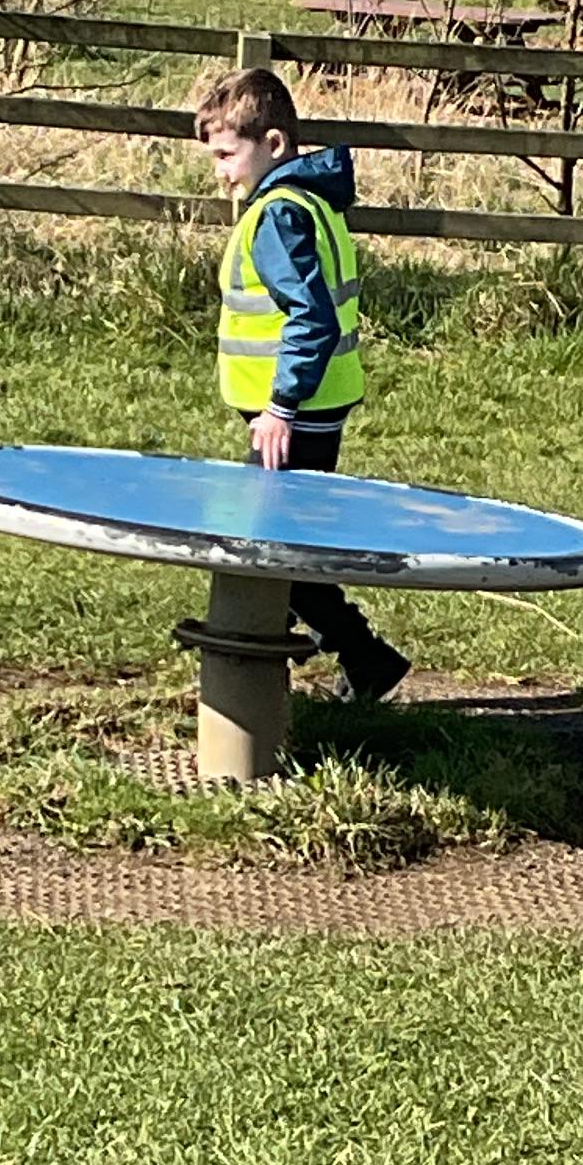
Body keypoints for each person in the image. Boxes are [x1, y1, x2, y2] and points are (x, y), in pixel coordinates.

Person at [192, 63, 412, 702]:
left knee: (273, 551)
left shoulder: (278, 217)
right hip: (314, 402)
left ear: (274, 144)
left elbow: (310, 318)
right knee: (279, 543)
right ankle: (314, 659)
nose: (220, 172)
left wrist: (281, 405)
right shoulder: (310, 202)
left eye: (227, 155)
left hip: (295, 410)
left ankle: (359, 657)